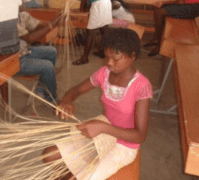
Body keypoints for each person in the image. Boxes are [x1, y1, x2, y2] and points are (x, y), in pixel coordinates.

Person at [42, 28, 152, 180]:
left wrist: (103, 128)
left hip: (124, 145)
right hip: (101, 131)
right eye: (106, 57)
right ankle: (72, 173)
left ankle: (74, 174)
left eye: (116, 59)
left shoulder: (141, 86)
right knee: (49, 155)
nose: (109, 63)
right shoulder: (104, 73)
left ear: (132, 56)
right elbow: (76, 90)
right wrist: (67, 100)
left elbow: (140, 135)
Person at [8, 0, 63, 103]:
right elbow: (30, 38)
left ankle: (41, 89)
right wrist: (54, 24)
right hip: (14, 60)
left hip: (24, 52)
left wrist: (56, 19)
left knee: (51, 51)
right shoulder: (8, 20)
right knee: (47, 66)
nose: (23, 1)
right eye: (20, 0)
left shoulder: (22, 15)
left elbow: (38, 24)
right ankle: (51, 99)